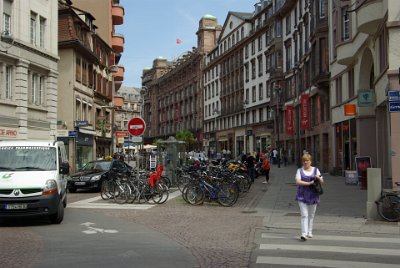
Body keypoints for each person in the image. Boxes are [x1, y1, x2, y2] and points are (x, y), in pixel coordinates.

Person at [295, 153, 324, 241]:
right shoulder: (299, 171)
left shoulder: (316, 170)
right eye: (304, 161)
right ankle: (303, 234)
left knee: (311, 215)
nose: (305, 162)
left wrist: (318, 178)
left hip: (313, 195)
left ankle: (309, 232)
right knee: (304, 215)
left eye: (307, 160)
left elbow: (322, 181)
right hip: (302, 195)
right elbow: (298, 182)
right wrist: (309, 183)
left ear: (310, 161)